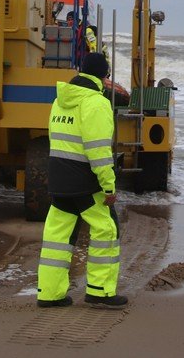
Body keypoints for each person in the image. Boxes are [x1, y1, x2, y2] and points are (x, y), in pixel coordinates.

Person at [37, 52, 127, 309]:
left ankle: (49, 294)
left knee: (57, 237)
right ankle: (100, 291)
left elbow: (59, 141)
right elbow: (99, 151)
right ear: (104, 76)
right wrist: (109, 187)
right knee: (107, 230)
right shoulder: (96, 103)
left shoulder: (60, 100)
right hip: (85, 182)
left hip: (59, 177)